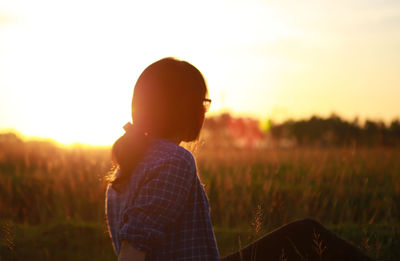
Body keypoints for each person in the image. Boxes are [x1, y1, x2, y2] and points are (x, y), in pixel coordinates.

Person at [106, 57, 374, 261]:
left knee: (301, 235)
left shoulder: (124, 167)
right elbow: (134, 244)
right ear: (185, 108)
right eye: (203, 103)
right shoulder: (175, 160)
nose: (205, 112)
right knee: (305, 235)